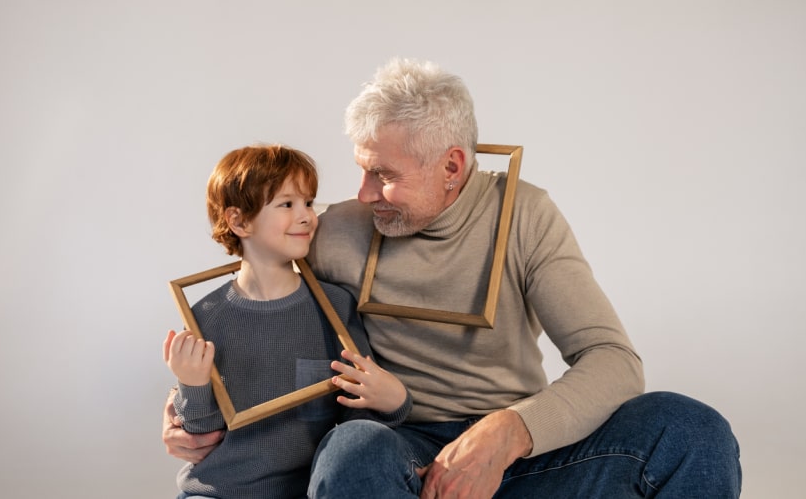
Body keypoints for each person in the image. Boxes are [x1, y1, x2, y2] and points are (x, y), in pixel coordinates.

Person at [164, 60, 741, 498]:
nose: (362, 194)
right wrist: (188, 403)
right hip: (401, 455)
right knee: (351, 449)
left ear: (451, 167)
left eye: (383, 175)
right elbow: (256, 302)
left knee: (692, 429)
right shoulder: (339, 230)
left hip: (525, 453)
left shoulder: (526, 215)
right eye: (362, 169)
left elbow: (613, 360)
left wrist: (510, 432)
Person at [163, 144, 412, 499]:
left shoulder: (335, 306)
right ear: (239, 221)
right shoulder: (206, 316)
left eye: (308, 203)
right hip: (218, 492)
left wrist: (395, 402)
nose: (307, 216)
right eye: (287, 204)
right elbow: (202, 433)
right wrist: (191, 383)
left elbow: (361, 424)